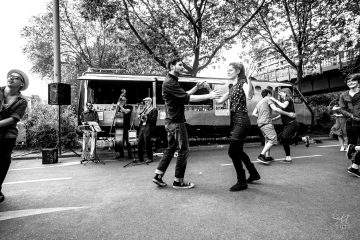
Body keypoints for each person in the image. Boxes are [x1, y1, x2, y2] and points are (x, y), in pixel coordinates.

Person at [152, 57, 221, 189]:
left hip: (171, 121)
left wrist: (196, 87)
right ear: (172, 66)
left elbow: (183, 96)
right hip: (177, 122)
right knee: (184, 150)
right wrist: (209, 96)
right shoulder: (170, 83)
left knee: (171, 148)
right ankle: (178, 181)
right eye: (180, 65)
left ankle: (158, 175)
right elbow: (187, 98)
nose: (183, 67)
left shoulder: (171, 81)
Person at [215, 62, 260, 191]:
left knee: (232, 151)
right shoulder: (232, 88)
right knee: (238, 151)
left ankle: (242, 181)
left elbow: (250, 95)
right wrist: (208, 89)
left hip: (242, 120)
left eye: (230, 70)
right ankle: (254, 174)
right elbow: (218, 100)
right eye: (227, 70)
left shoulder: (243, 83)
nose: (227, 72)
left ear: (238, 71)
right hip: (235, 122)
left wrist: (250, 80)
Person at [0, 69, 29, 202]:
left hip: (7, 135)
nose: (11, 78)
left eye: (16, 78)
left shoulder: (22, 101)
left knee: (3, 162)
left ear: (21, 84)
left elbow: (13, 119)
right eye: (10, 76)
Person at [252, 88, 296, 165]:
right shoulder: (268, 99)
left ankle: (267, 156)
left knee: (268, 139)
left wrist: (262, 116)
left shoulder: (259, 102)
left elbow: (253, 113)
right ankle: (261, 156)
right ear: (268, 94)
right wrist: (288, 114)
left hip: (260, 123)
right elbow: (275, 109)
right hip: (266, 123)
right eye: (271, 94)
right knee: (273, 139)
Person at [339, 73, 360, 177]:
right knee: (353, 141)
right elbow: (341, 109)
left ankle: (355, 167)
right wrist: (351, 116)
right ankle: (354, 165)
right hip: (350, 121)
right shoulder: (343, 95)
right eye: (348, 81)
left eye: (353, 80)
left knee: (357, 145)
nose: (350, 83)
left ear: (358, 81)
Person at [270, 88, 298, 163]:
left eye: (281, 93)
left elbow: (284, 107)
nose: (280, 94)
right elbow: (282, 113)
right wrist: (273, 119)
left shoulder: (288, 99)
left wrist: (275, 100)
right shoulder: (285, 101)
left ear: (285, 93)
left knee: (284, 137)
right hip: (289, 124)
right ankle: (304, 139)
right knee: (284, 138)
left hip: (292, 123)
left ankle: (288, 158)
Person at [137, 97, 158, 163]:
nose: (146, 103)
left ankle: (150, 158)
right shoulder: (144, 109)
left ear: (150, 102)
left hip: (149, 127)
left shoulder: (154, 109)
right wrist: (140, 117)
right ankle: (140, 158)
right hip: (142, 126)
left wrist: (146, 117)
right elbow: (141, 117)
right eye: (145, 102)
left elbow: (154, 121)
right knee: (139, 143)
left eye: (147, 101)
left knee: (147, 143)